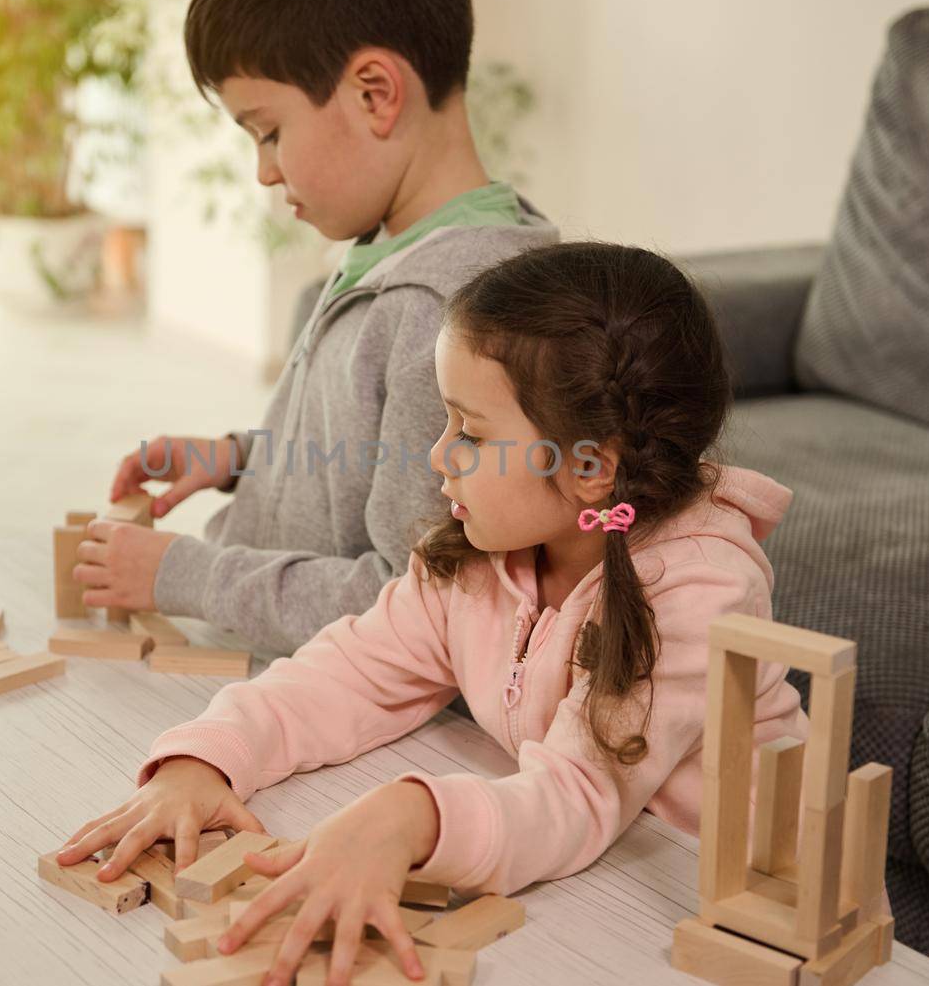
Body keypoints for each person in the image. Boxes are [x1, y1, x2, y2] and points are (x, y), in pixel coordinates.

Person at [60, 243, 807, 985]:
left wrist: (407, 818)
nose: (439, 454)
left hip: (732, 917)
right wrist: (206, 755)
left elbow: (577, 796)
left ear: (589, 468)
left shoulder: (695, 591)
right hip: (600, 888)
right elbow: (348, 670)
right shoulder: (483, 549)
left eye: (470, 432)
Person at [75, 0, 558, 651]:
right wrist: (243, 456)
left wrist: (185, 573)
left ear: (374, 93)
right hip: (278, 656)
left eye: (267, 132)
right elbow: (370, 450)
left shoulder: (448, 314)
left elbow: (407, 604)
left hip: (335, 709)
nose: (265, 171)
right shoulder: (394, 247)